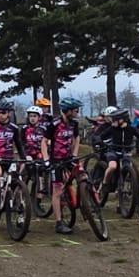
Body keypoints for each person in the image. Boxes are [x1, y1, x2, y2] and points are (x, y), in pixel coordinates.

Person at [45, 98, 84, 234]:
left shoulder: (74, 123)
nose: (77, 112)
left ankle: (84, 198)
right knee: (57, 190)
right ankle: (59, 222)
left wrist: (74, 153)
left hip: (68, 158)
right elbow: (44, 141)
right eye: (75, 110)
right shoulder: (54, 124)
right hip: (56, 160)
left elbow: (77, 138)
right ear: (67, 111)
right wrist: (46, 159)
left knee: (82, 174)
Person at [92, 106, 139, 194]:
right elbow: (101, 136)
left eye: (115, 119)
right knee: (112, 166)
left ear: (122, 120)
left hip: (126, 153)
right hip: (113, 151)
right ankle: (105, 184)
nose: (113, 121)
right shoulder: (112, 128)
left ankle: (122, 185)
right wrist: (98, 140)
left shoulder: (131, 129)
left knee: (127, 168)